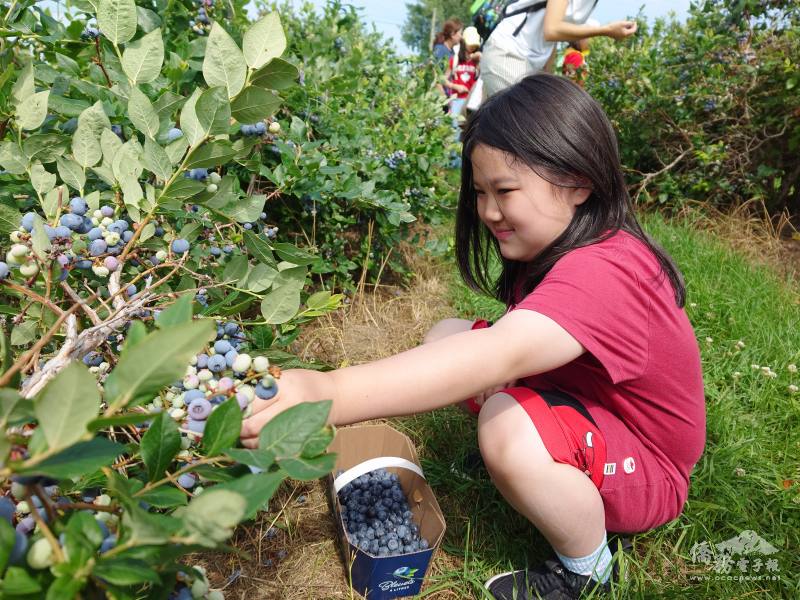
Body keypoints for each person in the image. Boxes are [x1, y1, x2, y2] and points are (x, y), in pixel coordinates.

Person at [240, 74, 706, 600]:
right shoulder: (571, 245)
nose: (487, 212)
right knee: (447, 335)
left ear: (578, 181)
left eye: (505, 191)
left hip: (650, 470)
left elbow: (497, 353)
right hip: (595, 405)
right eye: (480, 192)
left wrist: (327, 395)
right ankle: (535, 461)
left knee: (505, 427)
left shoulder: (608, 270)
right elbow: (487, 349)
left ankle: (589, 568)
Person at [481, 0, 637, 97]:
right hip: (509, 52)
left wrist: (546, 79)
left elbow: (553, 38)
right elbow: (552, 29)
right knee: (532, 128)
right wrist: (606, 30)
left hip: (530, 63)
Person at [443, 26, 482, 124]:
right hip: (457, 100)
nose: (472, 48)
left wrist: (479, 59)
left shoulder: (476, 61)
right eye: (470, 44)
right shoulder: (454, 60)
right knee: (456, 128)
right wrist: (455, 86)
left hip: (472, 102)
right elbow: (442, 79)